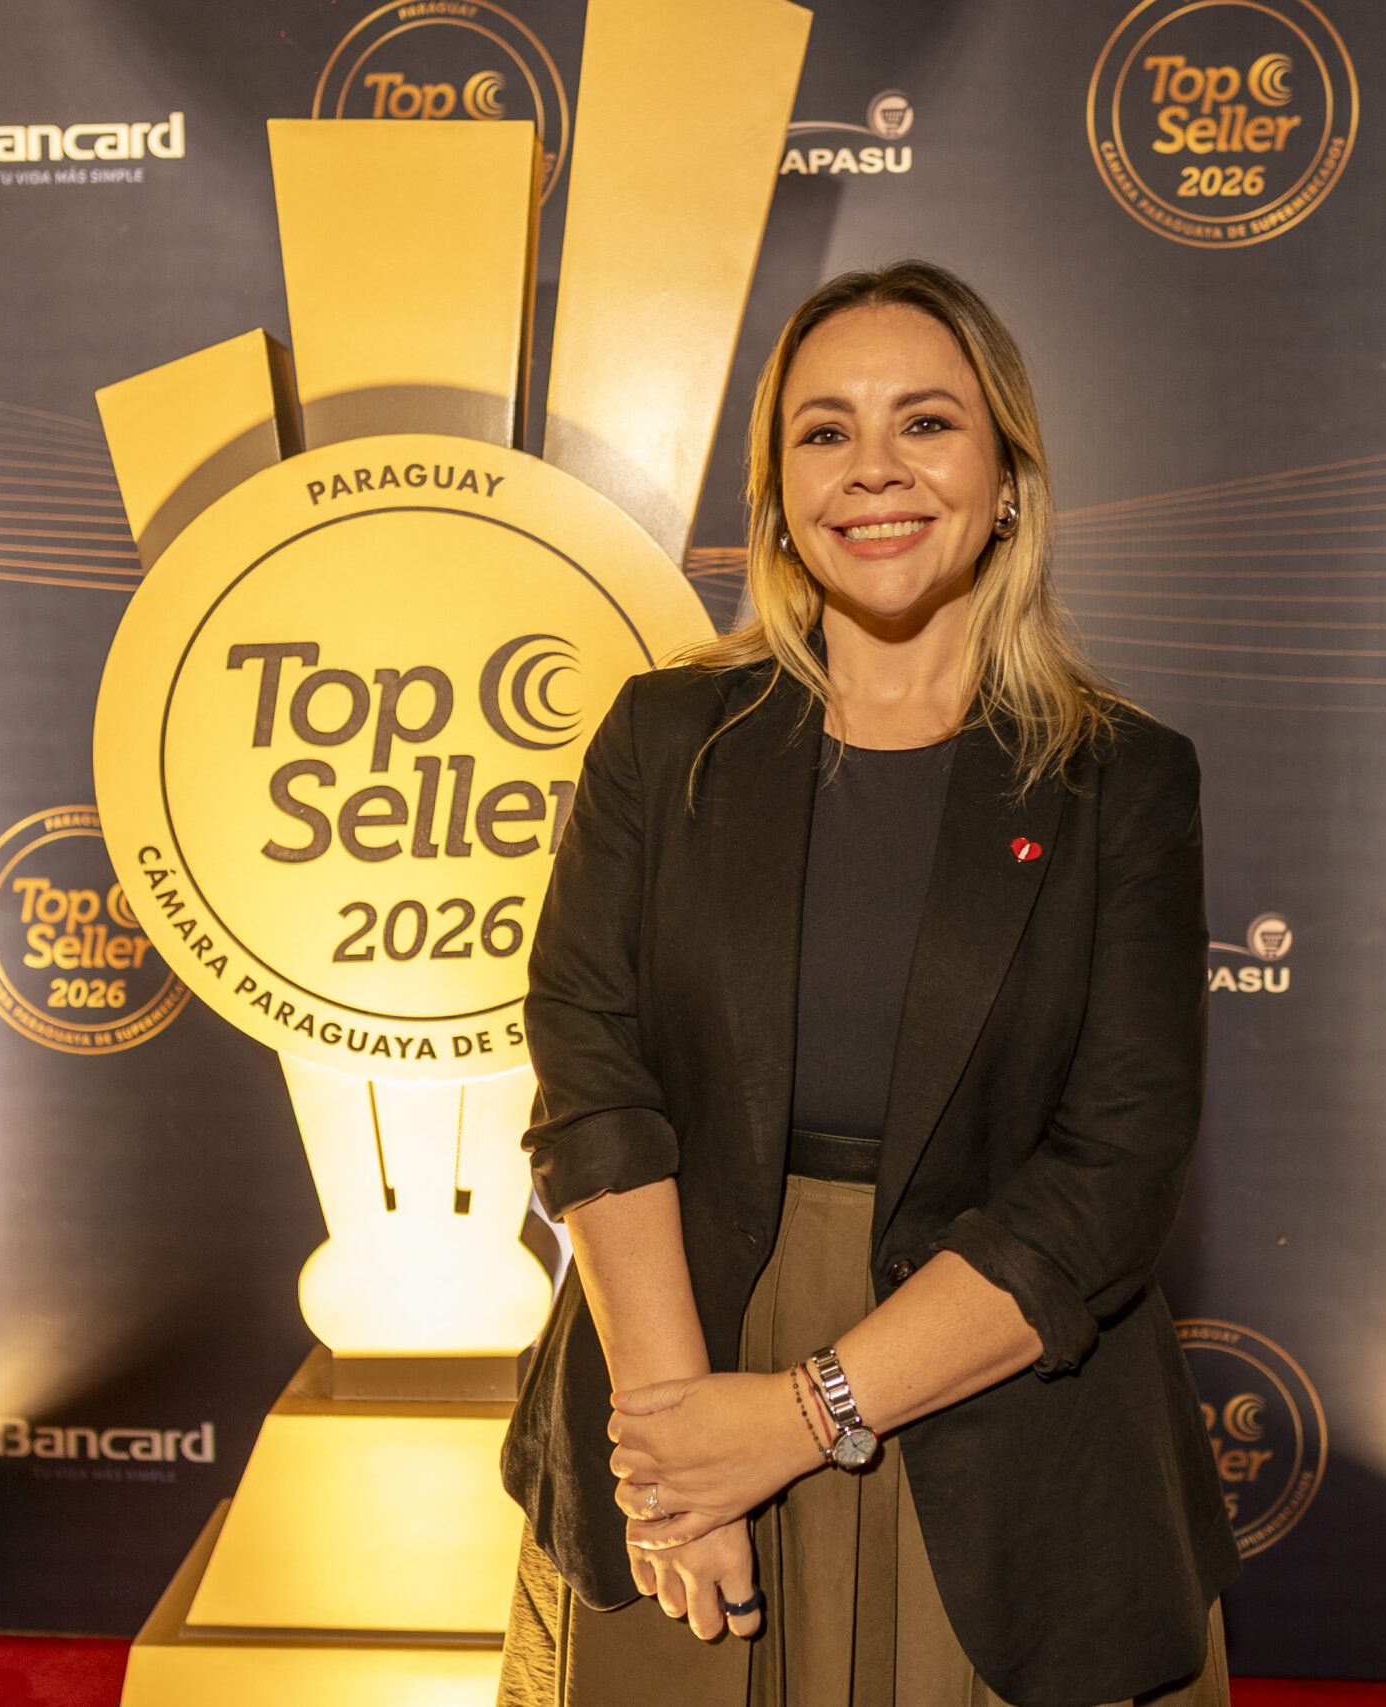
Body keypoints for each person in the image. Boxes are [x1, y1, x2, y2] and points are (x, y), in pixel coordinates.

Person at [498, 260, 1238, 1707]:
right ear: (778, 495)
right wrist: (683, 1452)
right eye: (825, 431)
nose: (875, 469)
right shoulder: (664, 739)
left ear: (1007, 477)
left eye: (927, 423)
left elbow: (1113, 1173)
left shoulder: (1125, 782)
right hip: (674, 1362)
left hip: (997, 1413)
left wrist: (798, 1417)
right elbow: (591, 1077)